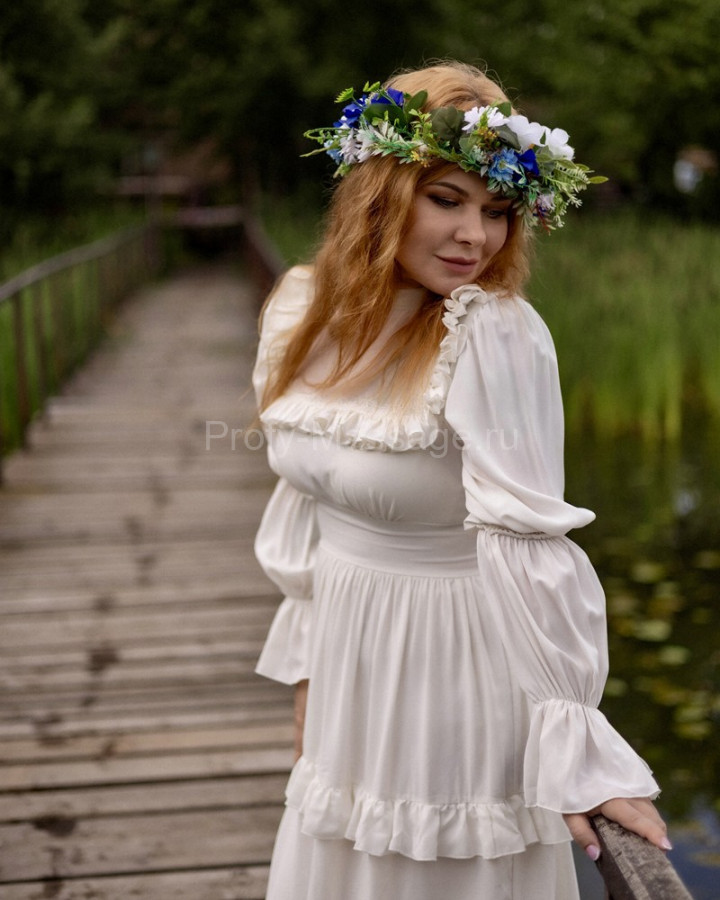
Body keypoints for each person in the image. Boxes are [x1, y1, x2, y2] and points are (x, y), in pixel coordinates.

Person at [251, 60, 668, 900]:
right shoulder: (302, 308)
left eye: (498, 211)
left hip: (456, 673)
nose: (475, 236)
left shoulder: (494, 334)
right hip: (349, 675)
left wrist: (578, 747)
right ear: (382, 192)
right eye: (447, 199)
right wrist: (309, 677)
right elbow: (306, 499)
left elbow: (529, 542)